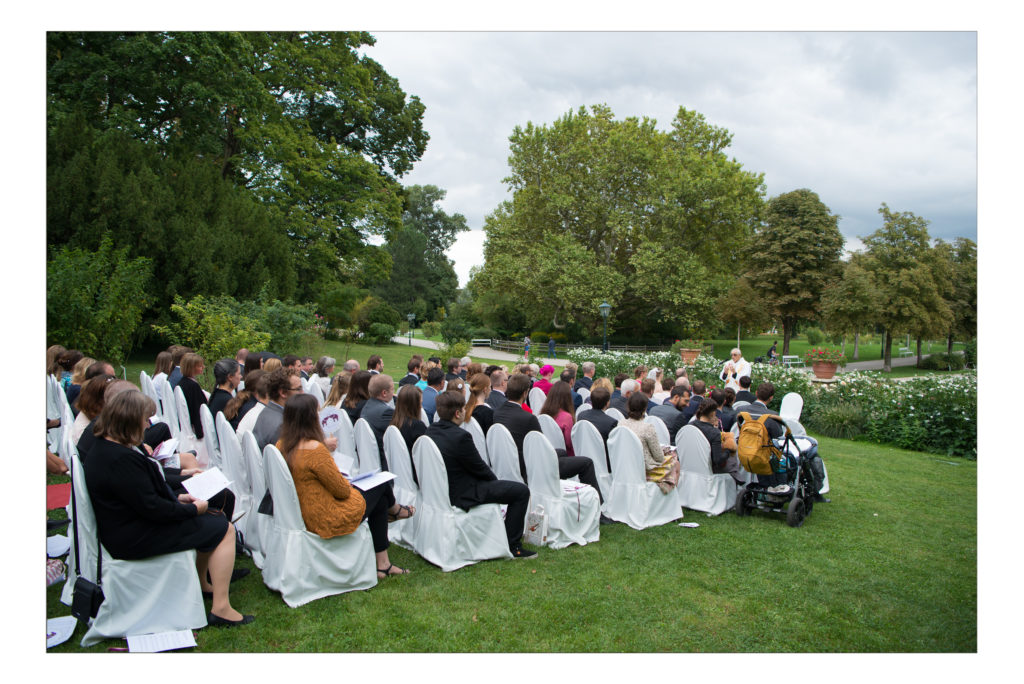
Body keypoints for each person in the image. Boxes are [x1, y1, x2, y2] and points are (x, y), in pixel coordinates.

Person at [83, 390, 252, 626]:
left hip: (127, 525)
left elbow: (141, 498)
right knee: (224, 528)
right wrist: (193, 510)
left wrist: (179, 498)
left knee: (213, 517)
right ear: (129, 420)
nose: (147, 425)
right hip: (134, 536)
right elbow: (153, 509)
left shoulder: (107, 448)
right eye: (144, 419)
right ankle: (221, 608)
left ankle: (203, 582)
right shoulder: (120, 459)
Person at [277, 393, 412, 579]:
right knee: (380, 485)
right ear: (311, 418)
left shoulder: (282, 445)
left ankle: (384, 564)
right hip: (326, 515)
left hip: (303, 509)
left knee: (380, 499)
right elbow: (341, 491)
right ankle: (396, 511)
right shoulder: (315, 450)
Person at [426, 391, 535, 559]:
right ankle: (513, 545)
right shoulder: (461, 437)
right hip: (463, 492)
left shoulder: (430, 431)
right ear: (457, 413)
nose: (465, 411)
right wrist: (495, 483)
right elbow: (480, 468)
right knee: (521, 491)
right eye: (464, 408)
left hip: (441, 489)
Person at [493, 374, 605, 506]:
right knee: (586, 463)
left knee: (561, 452)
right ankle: (596, 506)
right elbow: (542, 448)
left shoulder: (497, 412)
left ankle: (561, 491)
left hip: (511, 459)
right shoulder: (528, 418)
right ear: (525, 393)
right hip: (531, 467)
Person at [620, 392, 680, 494]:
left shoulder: (621, 424)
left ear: (628, 406)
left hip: (626, 465)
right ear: (645, 408)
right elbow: (659, 458)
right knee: (676, 463)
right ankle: (670, 498)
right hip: (645, 469)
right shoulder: (647, 428)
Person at [692, 398, 745, 484]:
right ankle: (737, 478)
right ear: (713, 413)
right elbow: (718, 460)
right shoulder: (714, 433)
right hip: (708, 472)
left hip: (690, 468)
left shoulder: (690, 426)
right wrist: (728, 451)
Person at [253, 368, 304, 450]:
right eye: (298, 389)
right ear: (283, 393)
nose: (303, 393)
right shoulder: (282, 426)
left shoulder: (266, 412)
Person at [576, 386, 618, 471]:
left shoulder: (581, 416)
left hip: (584, 455)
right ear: (607, 403)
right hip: (604, 463)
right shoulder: (611, 422)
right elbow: (614, 448)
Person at [360, 373, 395, 470]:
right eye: (392, 389)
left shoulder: (367, 405)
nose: (394, 393)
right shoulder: (386, 412)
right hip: (384, 463)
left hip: (368, 457)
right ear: (384, 393)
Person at [539, 381, 578, 457]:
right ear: (568, 397)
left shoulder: (543, 414)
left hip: (546, 454)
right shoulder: (567, 417)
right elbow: (569, 443)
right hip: (564, 456)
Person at [390, 385, 427, 457]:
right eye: (420, 403)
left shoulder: (393, 422)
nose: (421, 407)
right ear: (414, 405)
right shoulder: (417, 426)